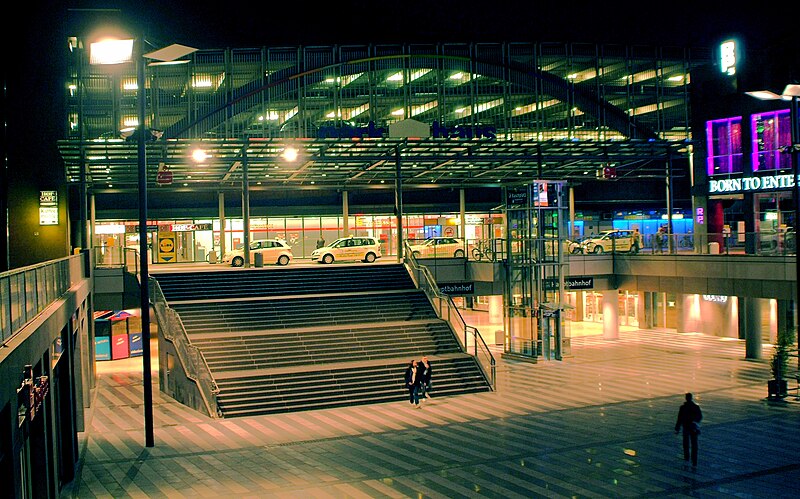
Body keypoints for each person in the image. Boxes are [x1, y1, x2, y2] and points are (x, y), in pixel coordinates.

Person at [674, 392, 703, 467]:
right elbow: (700, 417)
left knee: (686, 443)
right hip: (693, 428)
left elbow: (679, 419)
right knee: (694, 444)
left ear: (686, 398)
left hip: (686, 427)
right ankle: (694, 459)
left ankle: (687, 457)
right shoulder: (695, 407)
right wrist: (694, 421)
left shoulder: (683, 407)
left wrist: (677, 428)